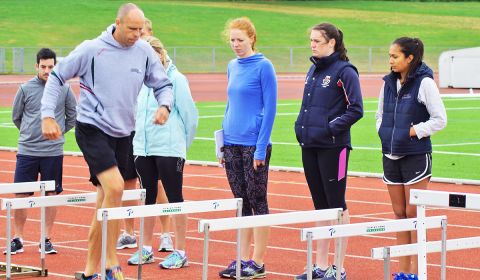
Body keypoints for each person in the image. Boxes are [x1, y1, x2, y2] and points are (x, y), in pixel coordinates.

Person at [40, 3, 173, 280]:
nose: (138, 34)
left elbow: (162, 84)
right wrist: (47, 116)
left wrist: (165, 106)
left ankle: (90, 269)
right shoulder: (91, 49)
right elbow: (56, 76)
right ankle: (111, 261)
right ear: (118, 23)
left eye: (141, 29)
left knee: (105, 199)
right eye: (133, 29)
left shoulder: (144, 51)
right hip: (92, 128)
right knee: (115, 188)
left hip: (123, 133)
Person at [294, 23, 363, 280]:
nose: (312, 45)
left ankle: (339, 267)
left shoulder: (345, 71)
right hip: (310, 145)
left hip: (335, 147)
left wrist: (329, 128)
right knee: (320, 206)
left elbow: (356, 109)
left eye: (317, 41)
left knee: (337, 205)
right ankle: (320, 266)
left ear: (332, 42)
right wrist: (301, 129)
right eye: (310, 40)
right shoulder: (313, 69)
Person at [376, 37, 447, 280]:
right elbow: (379, 115)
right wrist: (384, 132)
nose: (390, 60)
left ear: (410, 58)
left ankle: (416, 272)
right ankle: (403, 270)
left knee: (413, 212)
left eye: (395, 56)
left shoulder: (425, 83)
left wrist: (412, 132)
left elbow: (440, 119)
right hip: (390, 155)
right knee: (399, 213)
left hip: (415, 156)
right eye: (389, 55)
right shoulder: (387, 83)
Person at [126, 35, 198, 269]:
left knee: (174, 197)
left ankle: (180, 251)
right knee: (147, 197)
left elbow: (190, 116)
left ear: (160, 53)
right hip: (143, 149)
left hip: (169, 148)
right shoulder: (138, 81)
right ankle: (146, 248)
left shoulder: (176, 79)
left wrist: (180, 147)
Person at [217, 17, 277, 279]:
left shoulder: (264, 67)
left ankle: (258, 261)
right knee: (241, 203)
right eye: (232, 40)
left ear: (252, 38)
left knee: (257, 201)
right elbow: (230, 104)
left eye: (240, 40)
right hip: (231, 143)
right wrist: (222, 144)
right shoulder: (232, 66)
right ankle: (241, 259)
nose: (235, 45)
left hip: (253, 145)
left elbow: (271, 109)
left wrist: (261, 149)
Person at [6, 48, 76, 256]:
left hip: (53, 153)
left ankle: (46, 238)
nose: (47, 70)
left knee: (51, 195)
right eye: (43, 67)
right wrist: (29, 134)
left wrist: (58, 132)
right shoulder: (25, 89)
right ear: (36, 66)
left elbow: (72, 116)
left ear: (56, 66)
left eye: (51, 67)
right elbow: (16, 117)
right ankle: (17, 238)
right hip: (28, 152)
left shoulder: (64, 89)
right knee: (21, 194)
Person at [117, 17, 175, 253]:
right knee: (127, 182)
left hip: (152, 134)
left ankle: (165, 234)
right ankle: (129, 232)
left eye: (144, 33)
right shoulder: (125, 61)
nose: (139, 37)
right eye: (136, 33)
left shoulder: (161, 65)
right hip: (128, 131)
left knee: (156, 185)